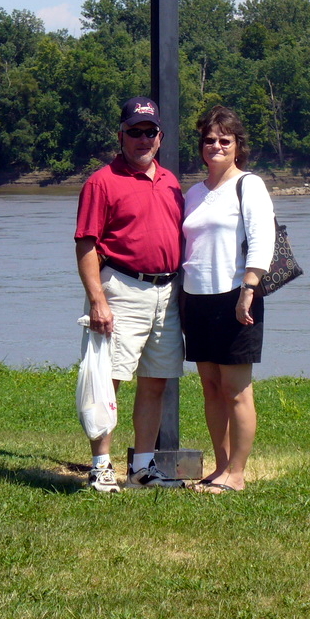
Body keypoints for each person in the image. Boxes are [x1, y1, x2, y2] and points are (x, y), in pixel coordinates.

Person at [74, 96, 186, 493]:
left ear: (160, 136)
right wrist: (97, 300)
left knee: (156, 381)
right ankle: (101, 467)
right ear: (121, 135)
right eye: (135, 132)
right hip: (121, 289)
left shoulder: (171, 181)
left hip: (167, 293)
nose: (143, 139)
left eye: (149, 132)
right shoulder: (101, 181)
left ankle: (142, 468)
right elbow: (87, 245)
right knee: (109, 380)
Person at [181, 105, 276, 493]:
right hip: (196, 298)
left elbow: (263, 239)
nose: (216, 146)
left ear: (238, 146)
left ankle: (237, 474)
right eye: (209, 139)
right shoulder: (194, 193)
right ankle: (220, 467)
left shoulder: (249, 184)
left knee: (236, 389)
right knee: (210, 387)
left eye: (225, 140)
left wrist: (248, 289)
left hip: (237, 297)